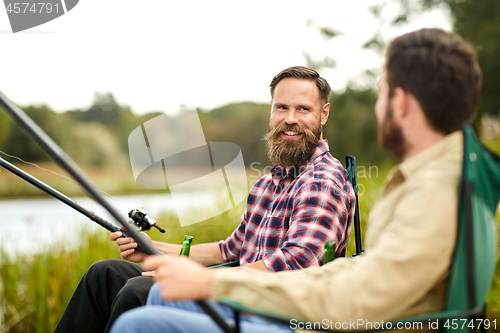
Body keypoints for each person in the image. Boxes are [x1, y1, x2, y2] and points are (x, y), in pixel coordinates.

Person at [110, 28, 482, 333]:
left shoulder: (430, 191)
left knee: (138, 319)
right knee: (129, 285)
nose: (377, 107)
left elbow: (346, 292)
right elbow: (360, 272)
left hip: (297, 322)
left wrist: (212, 284)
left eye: (380, 95)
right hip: (291, 304)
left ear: (400, 103)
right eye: (281, 107)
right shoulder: (433, 178)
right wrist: (162, 254)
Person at [53, 66, 356, 333]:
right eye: (281, 108)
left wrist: (198, 279)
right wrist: (152, 250)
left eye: (303, 109)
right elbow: (230, 249)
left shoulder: (322, 181)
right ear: (271, 112)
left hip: (271, 311)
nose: (290, 119)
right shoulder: (268, 183)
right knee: (104, 275)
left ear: (323, 114)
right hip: (236, 292)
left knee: (139, 290)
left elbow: (296, 264)